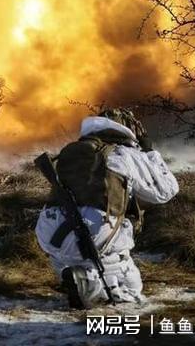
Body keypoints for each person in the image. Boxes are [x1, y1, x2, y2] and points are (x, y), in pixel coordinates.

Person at [35, 108, 179, 308]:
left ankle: (76, 277)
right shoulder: (123, 153)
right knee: (131, 290)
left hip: (49, 232)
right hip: (92, 233)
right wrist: (149, 153)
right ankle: (90, 282)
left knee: (71, 256)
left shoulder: (71, 150)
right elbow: (166, 191)